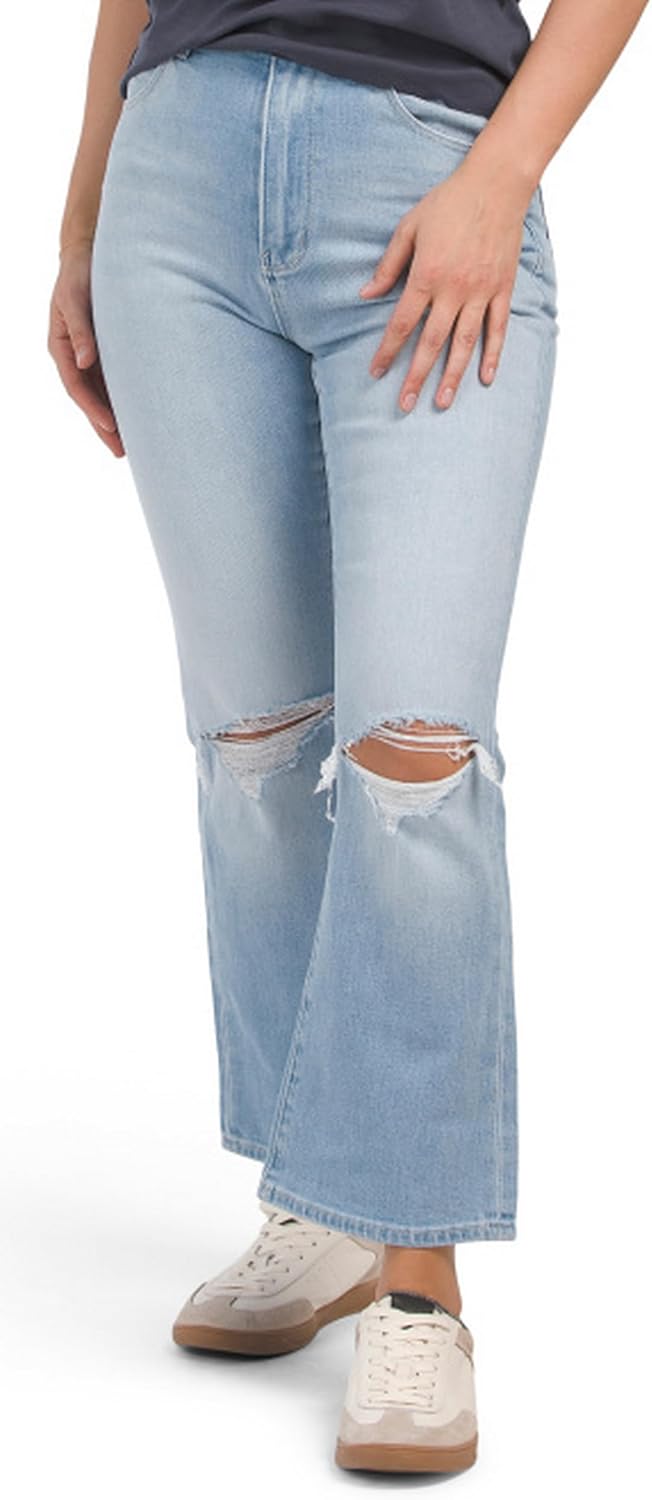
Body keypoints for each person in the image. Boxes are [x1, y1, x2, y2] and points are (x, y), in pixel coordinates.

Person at [48, 0, 648, 1477]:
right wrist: (83, 222)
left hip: (423, 165)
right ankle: (319, 1196)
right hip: (173, 176)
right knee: (253, 748)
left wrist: (500, 179)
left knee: (415, 760)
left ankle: (417, 1271)